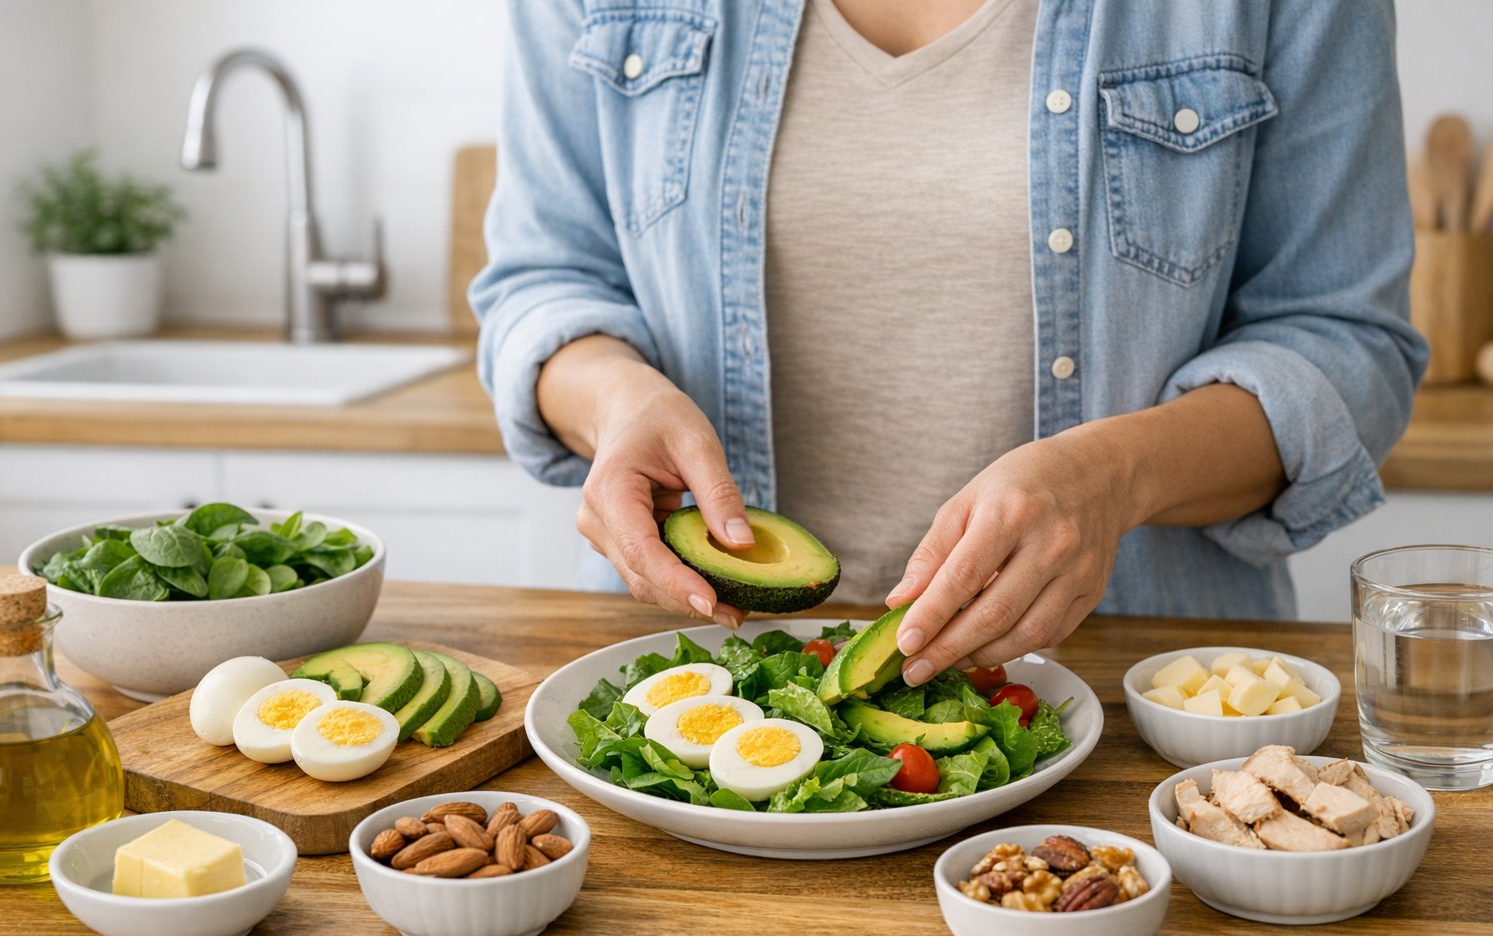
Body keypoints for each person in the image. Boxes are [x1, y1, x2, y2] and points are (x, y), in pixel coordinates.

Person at [472, 0, 1427, 686]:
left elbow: (1347, 342)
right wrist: (617, 401)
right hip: (697, 688)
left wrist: (1118, 476)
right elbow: (543, 283)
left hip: (1137, 698)